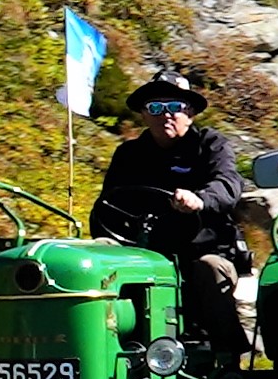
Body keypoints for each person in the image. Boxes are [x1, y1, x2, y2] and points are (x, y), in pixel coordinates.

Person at [94, 72, 252, 327]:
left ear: (189, 112)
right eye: (155, 107)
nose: (165, 114)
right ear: (144, 115)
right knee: (99, 255)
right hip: (142, 249)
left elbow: (228, 185)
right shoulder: (129, 154)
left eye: (174, 107)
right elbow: (109, 205)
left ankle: (226, 357)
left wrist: (199, 200)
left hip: (203, 248)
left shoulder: (211, 144)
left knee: (210, 269)